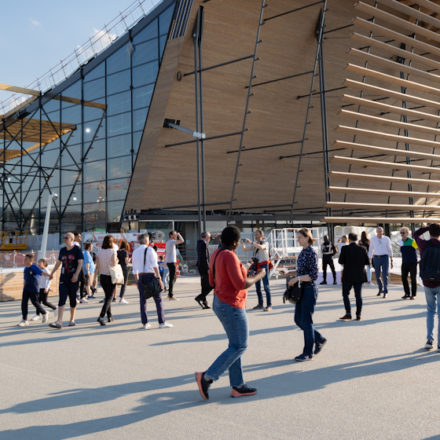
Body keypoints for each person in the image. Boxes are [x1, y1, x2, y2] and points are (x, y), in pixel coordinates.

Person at [195, 226, 265, 400]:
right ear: (235, 242)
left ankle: (237, 385)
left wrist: (246, 269)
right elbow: (241, 284)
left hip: (220, 302)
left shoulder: (217, 254)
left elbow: (212, 280)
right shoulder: (229, 256)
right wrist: (260, 275)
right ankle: (207, 376)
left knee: (234, 346)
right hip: (231, 305)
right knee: (240, 346)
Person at [288, 228, 327, 362]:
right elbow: (302, 271)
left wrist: (296, 279)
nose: (297, 239)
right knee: (298, 320)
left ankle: (307, 352)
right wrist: (289, 274)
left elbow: (313, 275)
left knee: (306, 321)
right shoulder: (303, 252)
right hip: (301, 289)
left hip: (309, 289)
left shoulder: (311, 252)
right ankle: (319, 339)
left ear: (306, 237)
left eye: (299, 237)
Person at [132, 233, 172, 329]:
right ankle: (161, 322)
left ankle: (145, 323)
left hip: (141, 277)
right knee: (158, 300)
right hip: (151, 276)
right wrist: (159, 279)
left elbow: (134, 269)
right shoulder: (150, 250)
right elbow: (155, 266)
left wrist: (137, 281)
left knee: (143, 301)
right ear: (147, 241)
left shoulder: (135, 252)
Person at [49, 232, 84, 329]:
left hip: (73, 278)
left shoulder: (77, 250)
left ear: (72, 239)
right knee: (62, 298)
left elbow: (80, 263)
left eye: (66, 238)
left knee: (72, 299)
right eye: (64, 237)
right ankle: (59, 321)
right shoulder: (62, 250)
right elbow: (58, 263)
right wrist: (52, 273)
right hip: (63, 278)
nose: (64, 239)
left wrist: (76, 275)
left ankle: (72, 319)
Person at [414, 224, 440, 350]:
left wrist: (426, 227)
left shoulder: (424, 244)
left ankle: (429, 340)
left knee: (430, 310)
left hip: (427, 282)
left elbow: (415, 234)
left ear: (429, 233)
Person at [338, 233, 370, 321]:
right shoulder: (362, 249)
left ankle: (348, 313)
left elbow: (340, 261)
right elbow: (367, 262)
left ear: (349, 239)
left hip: (348, 274)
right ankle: (358, 315)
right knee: (358, 295)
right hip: (359, 274)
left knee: (345, 294)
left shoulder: (345, 248)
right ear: (357, 239)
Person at [241, 229, 272, 311]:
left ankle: (269, 305)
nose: (256, 236)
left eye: (257, 234)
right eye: (255, 235)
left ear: (261, 235)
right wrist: (242, 243)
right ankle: (260, 304)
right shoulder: (255, 244)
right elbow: (245, 249)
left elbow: (261, 247)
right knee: (257, 287)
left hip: (264, 265)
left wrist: (251, 242)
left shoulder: (265, 243)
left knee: (266, 286)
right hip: (257, 266)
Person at [17, 254, 50, 326]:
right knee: (24, 303)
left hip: (34, 289)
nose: (24, 260)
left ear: (31, 260)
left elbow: (42, 273)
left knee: (35, 302)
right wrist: (24, 287)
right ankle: (24, 320)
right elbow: (25, 279)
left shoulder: (34, 267)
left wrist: (50, 275)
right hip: (26, 289)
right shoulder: (25, 268)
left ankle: (44, 312)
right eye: (24, 259)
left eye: (26, 259)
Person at [96, 235, 118, 326]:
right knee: (109, 297)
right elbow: (113, 264)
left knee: (107, 296)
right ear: (111, 242)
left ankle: (109, 316)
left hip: (102, 276)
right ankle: (101, 316)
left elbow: (97, 266)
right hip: (110, 276)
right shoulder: (113, 251)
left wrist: (94, 278)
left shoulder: (99, 252)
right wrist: (117, 260)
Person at [369, 226, 393, 298]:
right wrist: (370, 259)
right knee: (377, 275)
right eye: (379, 231)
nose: (380, 233)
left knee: (385, 274)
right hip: (376, 258)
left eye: (381, 231)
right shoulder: (373, 239)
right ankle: (380, 288)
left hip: (385, 257)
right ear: (376, 232)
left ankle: (385, 291)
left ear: (383, 232)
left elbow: (390, 249)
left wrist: (391, 260)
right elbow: (371, 249)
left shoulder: (386, 239)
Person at [195, 231, 214, 309]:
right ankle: (200, 297)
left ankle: (204, 303)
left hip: (201, 267)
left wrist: (212, 237)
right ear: (206, 237)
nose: (210, 239)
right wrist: (208, 268)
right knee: (212, 284)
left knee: (204, 285)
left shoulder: (199, 243)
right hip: (204, 267)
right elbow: (205, 257)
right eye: (209, 237)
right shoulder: (203, 244)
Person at [400, 227, 418, 300]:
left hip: (412, 262)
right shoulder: (400, 241)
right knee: (404, 278)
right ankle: (407, 293)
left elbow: (418, 249)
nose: (402, 234)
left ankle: (413, 294)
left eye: (403, 233)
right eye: (401, 233)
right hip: (404, 262)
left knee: (413, 278)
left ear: (407, 233)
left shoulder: (412, 241)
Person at [165, 230, 184, 300]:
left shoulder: (168, 242)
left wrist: (166, 261)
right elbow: (182, 240)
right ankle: (170, 294)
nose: (176, 236)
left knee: (173, 277)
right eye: (175, 235)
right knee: (172, 278)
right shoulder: (171, 241)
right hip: (171, 262)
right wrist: (179, 234)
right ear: (171, 236)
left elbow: (166, 252)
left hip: (170, 261)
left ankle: (170, 291)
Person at [74, 232, 88, 304]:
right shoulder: (75, 245)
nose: (80, 238)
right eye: (79, 236)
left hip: (80, 264)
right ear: (75, 237)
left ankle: (81, 296)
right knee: (80, 280)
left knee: (82, 280)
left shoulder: (77, 244)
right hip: (77, 265)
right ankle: (77, 296)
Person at [117, 239, 130, 304]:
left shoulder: (117, 251)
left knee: (116, 284)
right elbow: (126, 261)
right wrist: (129, 260)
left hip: (118, 268)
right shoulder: (125, 252)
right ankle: (121, 298)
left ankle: (113, 297)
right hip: (124, 268)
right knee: (124, 284)